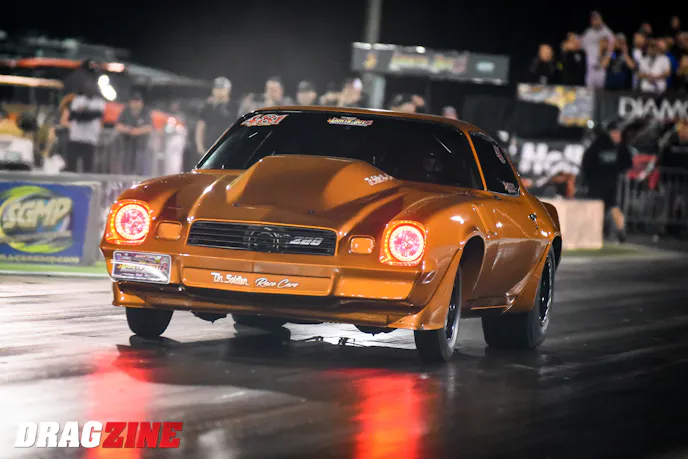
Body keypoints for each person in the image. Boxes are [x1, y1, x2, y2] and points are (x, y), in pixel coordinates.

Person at [581, 121, 633, 242]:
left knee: (613, 207)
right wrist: (588, 178)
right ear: (609, 133)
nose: (616, 135)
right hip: (596, 182)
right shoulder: (598, 145)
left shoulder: (621, 147)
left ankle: (621, 232)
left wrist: (620, 170)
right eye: (614, 133)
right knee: (595, 207)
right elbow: (587, 162)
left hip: (611, 183)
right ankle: (594, 232)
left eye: (618, 133)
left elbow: (627, 162)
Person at [60, 79, 105, 173]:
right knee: (71, 165)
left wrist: (83, 113)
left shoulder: (99, 102)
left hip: (90, 138)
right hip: (76, 137)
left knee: (88, 166)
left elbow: (97, 115)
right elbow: (74, 115)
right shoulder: (78, 100)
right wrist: (86, 114)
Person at [116, 92, 154, 175]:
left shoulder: (145, 112)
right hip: (127, 146)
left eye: (138, 101)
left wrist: (138, 131)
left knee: (140, 169)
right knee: (126, 169)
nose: (136, 104)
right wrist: (128, 130)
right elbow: (118, 126)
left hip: (141, 147)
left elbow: (149, 127)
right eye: (134, 101)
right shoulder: (125, 111)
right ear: (130, 102)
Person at [195, 77, 234, 156]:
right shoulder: (207, 107)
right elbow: (200, 127)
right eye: (216, 88)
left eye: (222, 88)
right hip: (210, 146)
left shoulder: (234, 107)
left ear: (228, 90)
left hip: (229, 146)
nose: (219, 91)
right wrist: (200, 146)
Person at [582, 11, 614, 88]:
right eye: (593, 19)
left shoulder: (607, 32)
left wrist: (607, 59)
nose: (595, 21)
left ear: (601, 19)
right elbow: (583, 47)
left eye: (597, 19)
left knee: (600, 90)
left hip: (601, 67)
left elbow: (611, 49)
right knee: (589, 90)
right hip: (590, 68)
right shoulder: (588, 33)